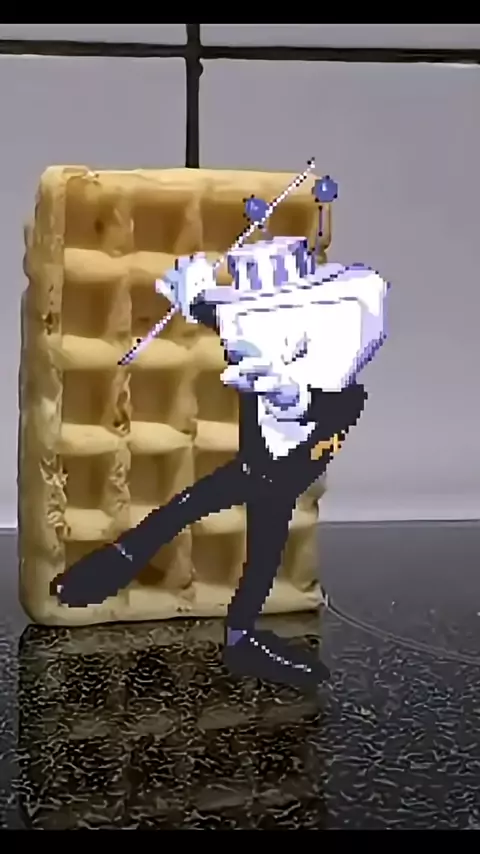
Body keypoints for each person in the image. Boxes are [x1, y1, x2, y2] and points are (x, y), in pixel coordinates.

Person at [52, 253, 384, 690]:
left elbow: (314, 408)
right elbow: (222, 313)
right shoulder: (249, 326)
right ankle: (97, 579)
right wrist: (193, 295)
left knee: (256, 551)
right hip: (253, 469)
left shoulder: (343, 388)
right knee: (179, 514)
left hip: (279, 481)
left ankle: (240, 636)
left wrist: (288, 395)